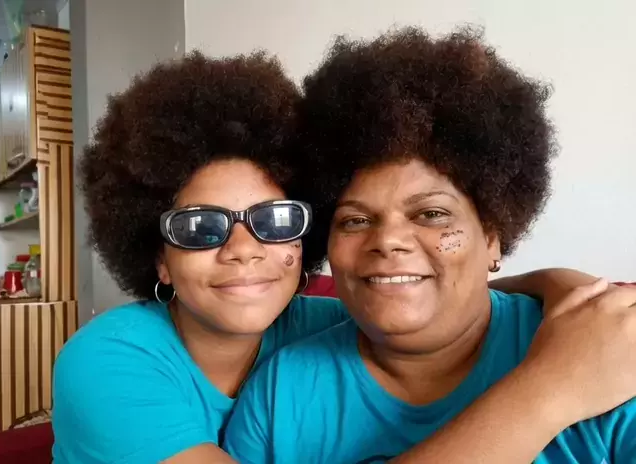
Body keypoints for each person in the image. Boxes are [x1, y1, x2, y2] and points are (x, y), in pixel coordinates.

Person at [223, 27, 636, 463]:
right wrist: (546, 389)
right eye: (355, 220)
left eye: (431, 214)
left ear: (492, 236)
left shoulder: (600, 348)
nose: (388, 240)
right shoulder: (279, 396)